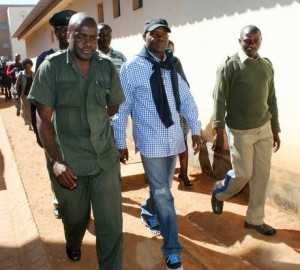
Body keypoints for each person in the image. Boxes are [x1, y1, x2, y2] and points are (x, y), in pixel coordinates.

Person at [28, 13, 124, 269]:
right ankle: (73, 240)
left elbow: (114, 104)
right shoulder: (51, 67)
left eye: (92, 38)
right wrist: (56, 162)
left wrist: (96, 116)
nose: (87, 43)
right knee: (76, 218)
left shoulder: (106, 67)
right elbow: (43, 121)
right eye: (80, 36)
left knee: (111, 225)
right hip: (69, 162)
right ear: (67, 35)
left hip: (104, 158)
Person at [113, 18, 202, 270]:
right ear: (146, 37)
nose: (161, 38)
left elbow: (186, 99)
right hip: (150, 141)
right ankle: (172, 250)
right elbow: (122, 108)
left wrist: (195, 129)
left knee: (159, 188)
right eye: (155, 34)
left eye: (165, 34)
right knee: (164, 192)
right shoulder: (131, 68)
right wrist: (120, 141)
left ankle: (147, 210)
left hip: (173, 139)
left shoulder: (172, 65)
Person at [211, 25, 281, 236]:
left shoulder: (266, 66)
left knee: (261, 176)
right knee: (243, 174)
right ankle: (219, 193)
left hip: (264, 129)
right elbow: (219, 99)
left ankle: (254, 220)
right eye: (247, 41)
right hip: (240, 131)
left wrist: (275, 128)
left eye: (255, 40)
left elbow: (272, 99)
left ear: (260, 41)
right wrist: (219, 130)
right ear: (239, 40)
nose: (251, 45)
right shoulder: (229, 66)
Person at [32, 9, 77, 219]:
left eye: (70, 29)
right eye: (61, 30)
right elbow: (38, 100)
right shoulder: (45, 59)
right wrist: (39, 132)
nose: (65, 33)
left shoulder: (88, 58)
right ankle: (58, 199)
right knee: (55, 164)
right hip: (54, 128)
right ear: (56, 34)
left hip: (80, 128)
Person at [167, 40, 192, 186]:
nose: (169, 53)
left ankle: (183, 174)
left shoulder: (176, 63)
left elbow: (185, 84)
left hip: (179, 109)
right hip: (163, 113)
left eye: (171, 50)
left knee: (182, 142)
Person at [16, 58, 34, 128]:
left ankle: (31, 122)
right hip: (25, 95)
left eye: (30, 66)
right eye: (27, 66)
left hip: (32, 95)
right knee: (27, 110)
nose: (29, 68)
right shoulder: (21, 74)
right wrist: (18, 94)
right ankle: (29, 123)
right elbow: (17, 85)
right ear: (24, 66)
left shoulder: (33, 73)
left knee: (32, 110)